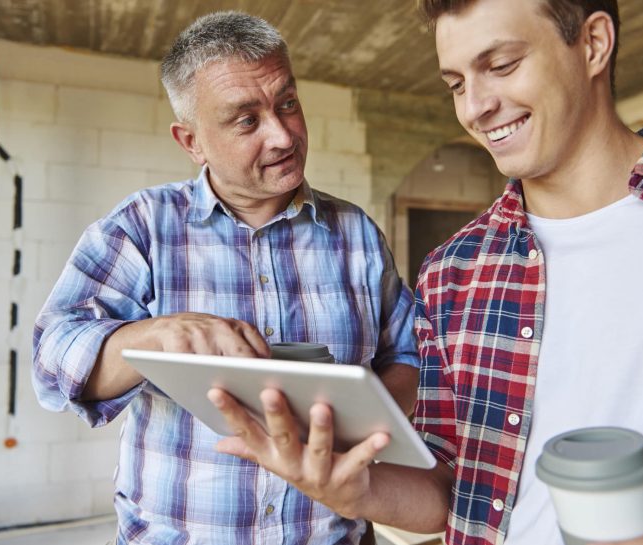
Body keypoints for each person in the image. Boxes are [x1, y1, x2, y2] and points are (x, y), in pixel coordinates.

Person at [208, 0, 643, 544]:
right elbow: (452, 485)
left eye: (500, 66)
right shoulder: (454, 270)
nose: (474, 106)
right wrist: (352, 491)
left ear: (593, 44)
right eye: (455, 84)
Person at [31, 10, 419, 545]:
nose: (283, 135)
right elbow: (52, 362)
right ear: (191, 141)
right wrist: (152, 337)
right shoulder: (143, 225)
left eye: (288, 103)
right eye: (246, 120)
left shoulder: (356, 233)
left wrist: (363, 423)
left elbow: (408, 355)